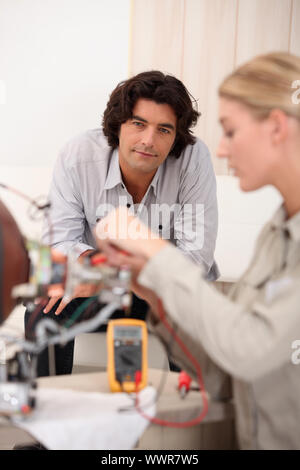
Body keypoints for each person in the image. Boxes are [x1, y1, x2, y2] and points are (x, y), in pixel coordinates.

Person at [95, 52, 300, 450]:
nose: (221, 150)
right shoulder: (276, 235)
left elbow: (248, 351)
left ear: (275, 127)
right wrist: (156, 297)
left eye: (230, 131)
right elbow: (227, 375)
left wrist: (154, 252)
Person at [25, 70, 220, 376]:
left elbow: (194, 260)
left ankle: (195, 415)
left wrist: (111, 274)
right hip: (94, 291)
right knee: (44, 307)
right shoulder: (78, 156)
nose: (148, 141)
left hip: (164, 292)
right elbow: (58, 242)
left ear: (176, 138)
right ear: (118, 126)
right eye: (138, 124)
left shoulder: (193, 160)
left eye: (164, 130)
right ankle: (52, 410)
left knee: (196, 313)